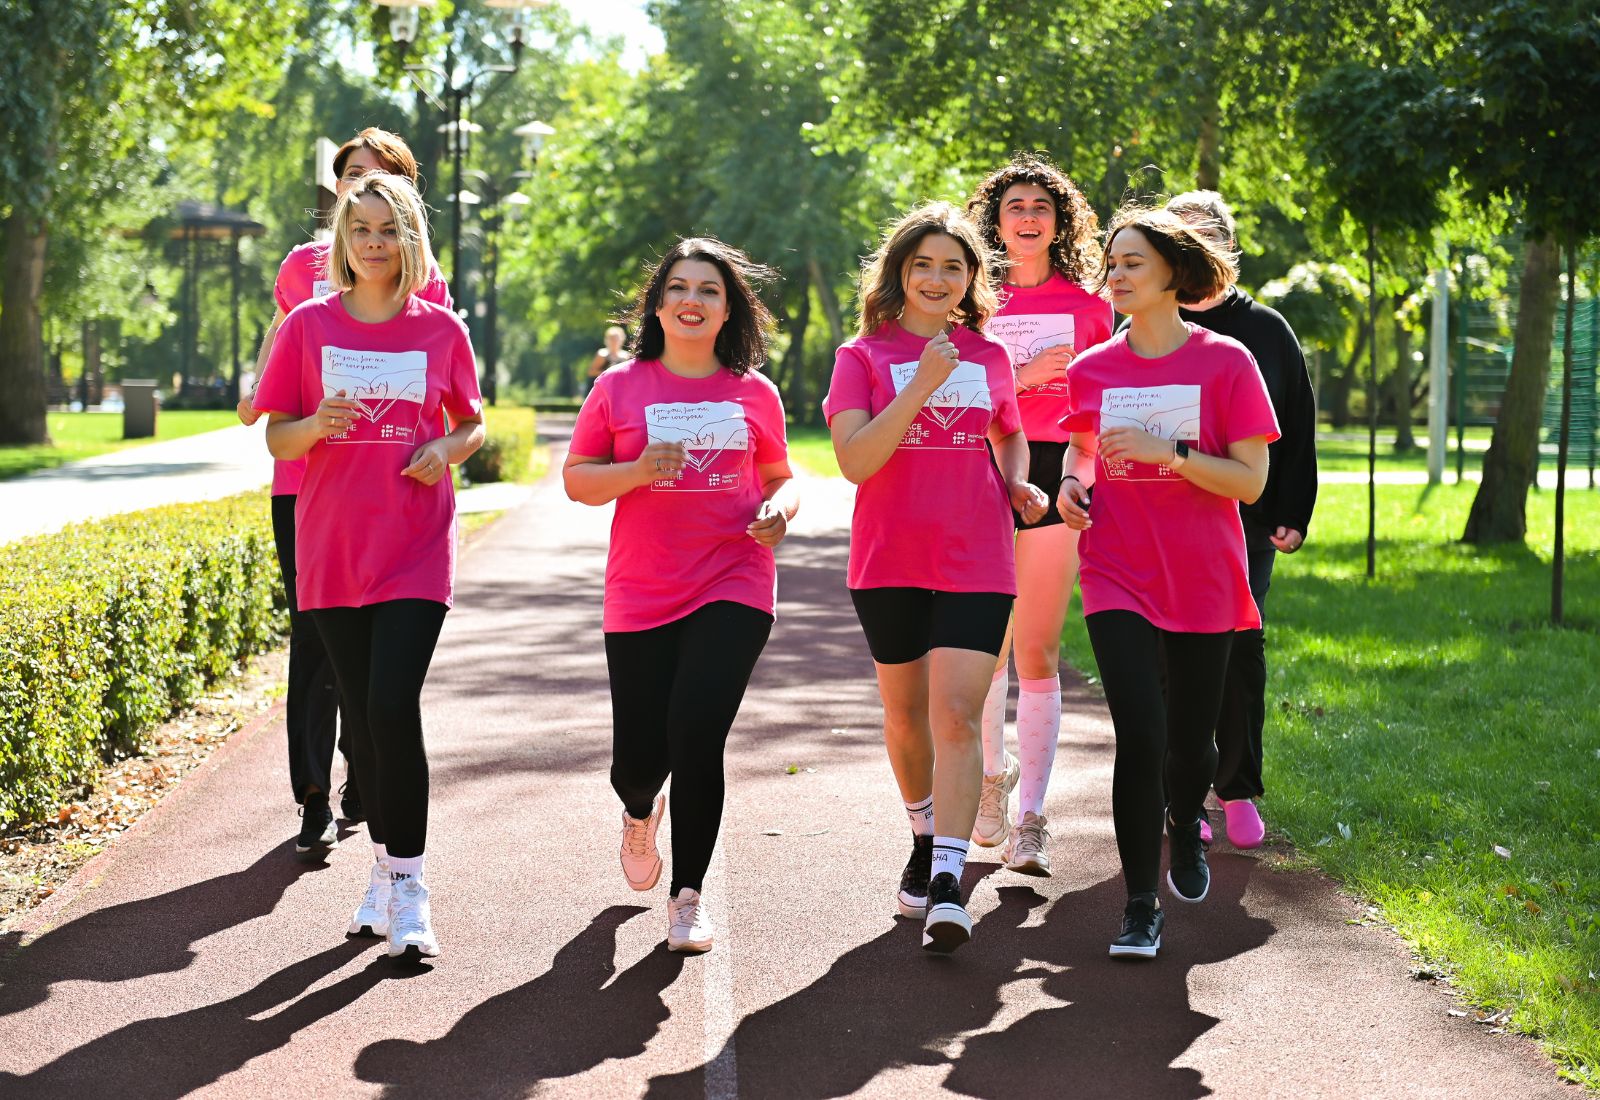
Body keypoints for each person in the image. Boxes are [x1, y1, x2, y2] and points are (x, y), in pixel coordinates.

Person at [254, 172, 484, 960]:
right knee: (366, 726)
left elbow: (472, 426)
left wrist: (442, 448)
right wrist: (316, 422)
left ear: (409, 238)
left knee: (391, 707)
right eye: (362, 230)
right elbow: (277, 438)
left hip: (415, 546)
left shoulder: (441, 331)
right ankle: (384, 871)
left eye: (389, 229)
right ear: (343, 243)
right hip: (332, 551)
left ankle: (412, 887)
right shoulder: (308, 327)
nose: (375, 243)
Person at [563, 237, 798, 955]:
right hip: (641, 589)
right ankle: (640, 810)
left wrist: (781, 512)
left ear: (730, 311)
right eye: (679, 289)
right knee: (638, 759)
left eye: (709, 291)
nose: (691, 301)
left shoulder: (754, 392)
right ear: (658, 306)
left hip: (734, 578)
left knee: (698, 736)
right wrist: (634, 470)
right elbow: (578, 480)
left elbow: (782, 475)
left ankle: (688, 898)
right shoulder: (619, 389)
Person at [1055, 204, 1278, 960]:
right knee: (1141, 736)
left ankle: (1186, 821)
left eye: (1131, 263)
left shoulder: (1227, 363)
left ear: (1173, 275)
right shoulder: (1092, 369)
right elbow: (1081, 454)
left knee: (1190, 748)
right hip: (1116, 569)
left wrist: (1170, 451)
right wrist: (1072, 487)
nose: (1115, 275)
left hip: (1205, 575)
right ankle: (1140, 906)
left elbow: (1249, 483)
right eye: (1111, 263)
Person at [826, 202, 1047, 954]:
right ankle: (923, 834)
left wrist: (1018, 484)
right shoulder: (860, 357)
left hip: (978, 554)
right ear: (900, 273)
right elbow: (855, 461)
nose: (937, 277)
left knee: (957, 715)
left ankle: (950, 878)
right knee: (906, 717)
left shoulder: (987, 356)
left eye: (954, 266)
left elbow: (1011, 434)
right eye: (923, 263)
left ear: (970, 280)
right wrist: (919, 384)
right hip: (889, 557)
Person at [237, 126, 453, 859]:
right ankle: (313, 797)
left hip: (392, 493)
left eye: (382, 180)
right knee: (316, 647)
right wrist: (265, 395)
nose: (364, 200)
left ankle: (372, 784)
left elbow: (448, 388)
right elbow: (281, 347)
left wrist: (442, 446)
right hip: (307, 487)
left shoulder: (426, 283)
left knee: (377, 680)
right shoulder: (303, 272)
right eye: (352, 179)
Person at [965, 152, 1114, 874]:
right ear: (995, 221)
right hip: (981, 470)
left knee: (1038, 649)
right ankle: (991, 783)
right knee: (987, 644)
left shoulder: (1090, 308)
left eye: (1040, 208)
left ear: (1059, 224)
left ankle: (1032, 819)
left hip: (1057, 471)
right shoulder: (972, 303)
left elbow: (1097, 416)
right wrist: (1020, 378)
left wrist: (1080, 480)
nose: (1027, 218)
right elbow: (964, 401)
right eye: (1015, 207)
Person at [1164, 190, 1319, 850]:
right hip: (1163, 521)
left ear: (1228, 250)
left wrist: (1293, 511)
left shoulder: (1267, 330)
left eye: (1206, 237)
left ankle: (1235, 786)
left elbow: (1298, 425)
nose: (1193, 249)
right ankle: (1184, 792)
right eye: (1180, 237)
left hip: (1248, 521)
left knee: (1235, 652)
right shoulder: (1143, 325)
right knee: (1172, 655)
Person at [586, 325, 628, 391]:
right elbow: (591, 372)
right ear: (606, 340)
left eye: (616, 339)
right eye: (611, 339)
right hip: (602, 388)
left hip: (618, 389)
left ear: (622, 339)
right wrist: (609, 373)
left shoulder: (626, 356)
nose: (614, 341)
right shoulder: (602, 354)